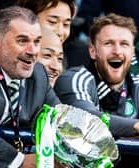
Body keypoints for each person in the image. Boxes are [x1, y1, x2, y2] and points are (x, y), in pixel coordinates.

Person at [0, 6, 61, 168]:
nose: (33, 51)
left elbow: (60, 119)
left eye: (37, 41)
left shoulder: (39, 74)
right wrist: (18, 161)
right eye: (22, 41)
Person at [54, 13, 139, 167]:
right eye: (109, 43)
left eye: (124, 44)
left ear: (132, 52)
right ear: (93, 51)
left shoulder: (136, 83)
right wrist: (135, 126)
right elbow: (86, 119)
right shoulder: (74, 79)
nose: (117, 51)